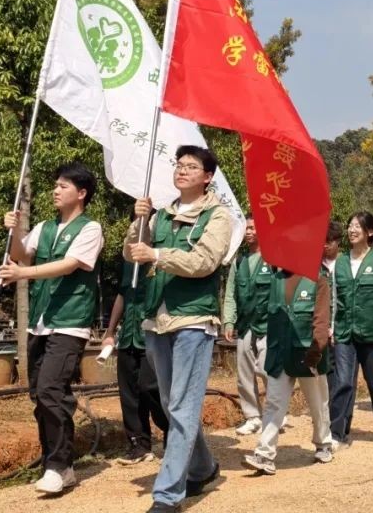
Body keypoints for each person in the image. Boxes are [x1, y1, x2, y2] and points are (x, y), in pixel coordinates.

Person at [123, 146, 234, 512]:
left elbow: (205, 261)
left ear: (207, 177)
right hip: (157, 319)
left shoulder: (218, 216)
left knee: (183, 405)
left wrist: (157, 255)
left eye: (191, 166)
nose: (182, 170)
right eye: (179, 165)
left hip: (193, 320)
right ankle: (203, 467)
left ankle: (167, 494)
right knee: (173, 404)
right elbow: (130, 254)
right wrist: (138, 223)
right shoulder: (161, 214)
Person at [0, 162, 103, 495]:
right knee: (39, 395)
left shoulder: (90, 229)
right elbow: (22, 255)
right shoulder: (44, 227)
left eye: (63, 186)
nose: (55, 191)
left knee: (51, 390)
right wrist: (15, 231)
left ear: (81, 193)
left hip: (70, 322)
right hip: (40, 321)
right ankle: (54, 463)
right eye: (55, 185)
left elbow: (69, 265)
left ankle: (59, 466)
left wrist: (21, 275)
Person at [241, 224, 340, 475]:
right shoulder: (276, 280)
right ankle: (265, 454)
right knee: (274, 403)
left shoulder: (317, 280)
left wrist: (317, 349)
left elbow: (321, 320)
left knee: (317, 403)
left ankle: (323, 443)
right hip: (279, 353)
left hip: (309, 354)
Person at [328, 211, 373, 447]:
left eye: (357, 226)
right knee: (343, 382)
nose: (352, 229)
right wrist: (333, 328)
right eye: (350, 225)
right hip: (344, 332)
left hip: (371, 332)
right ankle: (337, 432)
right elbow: (336, 299)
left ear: (369, 232)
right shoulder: (340, 263)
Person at [101, 260, 170, 465]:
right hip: (128, 336)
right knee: (129, 394)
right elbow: (122, 295)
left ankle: (172, 432)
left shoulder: (161, 259)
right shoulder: (128, 263)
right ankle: (139, 445)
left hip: (153, 334)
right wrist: (110, 332)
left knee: (150, 388)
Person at [221, 216, 274, 436]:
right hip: (245, 325)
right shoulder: (239, 261)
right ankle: (253, 417)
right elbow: (231, 293)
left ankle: (275, 413)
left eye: (253, 228)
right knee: (244, 373)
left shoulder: (273, 258)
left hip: (268, 325)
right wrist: (229, 320)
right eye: (246, 228)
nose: (249, 232)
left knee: (266, 369)